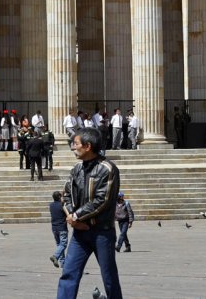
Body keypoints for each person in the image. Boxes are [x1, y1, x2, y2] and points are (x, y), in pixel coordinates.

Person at [57, 127, 122, 299]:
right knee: (68, 273)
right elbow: (67, 194)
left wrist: (77, 216)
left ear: (88, 146)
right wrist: (71, 216)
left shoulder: (107, 169)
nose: (73, 147)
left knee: (109, 277)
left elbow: (102, 200)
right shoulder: (76, 169)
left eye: (75, 144)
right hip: (80, 233)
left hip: (102, 232)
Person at [49, 191, 68, 269]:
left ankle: (63, 263)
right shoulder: (62, 205)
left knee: (59, 245)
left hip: (54, 228)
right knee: (63, 244)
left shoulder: (51, 205)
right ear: (60, 197)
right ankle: (55, 256)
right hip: (62, 228)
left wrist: (62, 195)